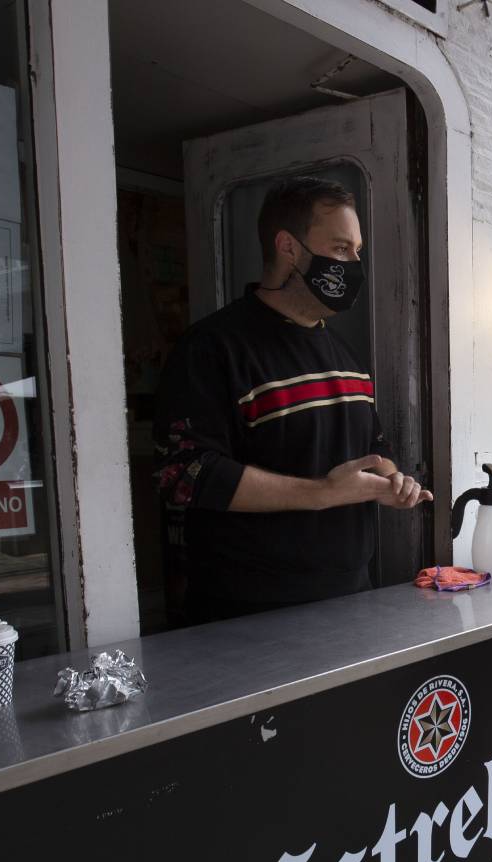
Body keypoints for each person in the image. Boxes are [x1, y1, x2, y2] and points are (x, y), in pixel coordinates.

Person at [154, 177, 431, 624]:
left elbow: (372, 448)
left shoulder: (345, 356)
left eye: (357, 251)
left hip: (353, 595)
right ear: (288, 247)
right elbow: (184, 473)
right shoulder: (213, 347)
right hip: (248, 611)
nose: (354, 264)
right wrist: (321, 494)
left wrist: (392, 479)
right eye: (341, 249)